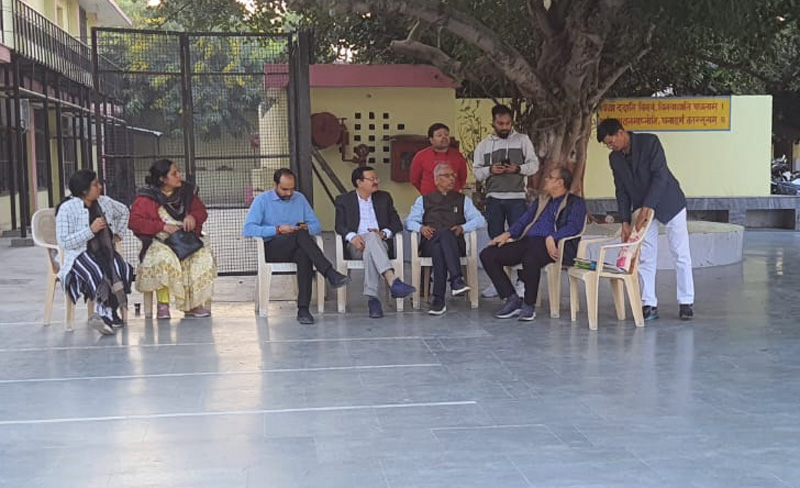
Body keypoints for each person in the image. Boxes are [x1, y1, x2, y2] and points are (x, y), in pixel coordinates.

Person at [597, 118, 694, 321]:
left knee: (680, 253)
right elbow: (621, 190)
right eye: (607, 145)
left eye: (611, 142)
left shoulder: (650, 142)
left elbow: (660, 176)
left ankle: (686, 302)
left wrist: (647, 207)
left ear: (621, 133)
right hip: (641, 208)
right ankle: (649, 304)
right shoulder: (614, 159)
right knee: (646, 256)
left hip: (669, 202)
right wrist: (625, 221)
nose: (610, 147)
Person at [243, 168, 350, 324]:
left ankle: (303, 309)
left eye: (292, 189)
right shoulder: (262, 200)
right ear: (275, 185)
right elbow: (248, 229)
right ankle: (329, 272)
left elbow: (317, 226)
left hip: (297, 246)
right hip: (273, 247)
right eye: (284, 189)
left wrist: (305, 227)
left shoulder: (299, 198)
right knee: (301, 236)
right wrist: (277, 230)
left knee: (304, 253)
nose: (289, 193)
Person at [480, 166, 586, 321]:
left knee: (530, 257)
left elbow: (574, 226)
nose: (546, 179)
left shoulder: (575, 203)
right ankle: (512, 298)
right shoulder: (542, 200)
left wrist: (552, 237)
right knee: (488, 254)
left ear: (560, 182)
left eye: (550, 177)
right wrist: (507, 234)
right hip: (528, 241)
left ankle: (529, 304)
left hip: (553, 246)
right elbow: (524, 221)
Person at [129, 159, 216, 320]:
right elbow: (135, 222)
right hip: (159, 241)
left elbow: (201, 212)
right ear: (162, 179)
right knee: (164, 259)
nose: (179, 176)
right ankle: (163, 305)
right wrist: (162, 227)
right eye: (174, 173)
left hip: (185, 240)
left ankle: (193, 305)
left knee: (201, 258)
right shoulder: (147, 197)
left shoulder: (187, 192)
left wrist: (193, 217)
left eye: (178, 172)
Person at [472, 104, 540, 298]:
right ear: (493, 122)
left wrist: (517, 169)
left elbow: (534, 165)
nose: (504, 127)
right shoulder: (484, 145)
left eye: (508, 123)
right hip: (494, 198)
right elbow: (476, 172)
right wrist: (490, 170)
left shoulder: (522, 140)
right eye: (500, 123)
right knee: (495, 239)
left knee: (519, 239)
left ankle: (522, 281)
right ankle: (498, 282)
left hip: (517, 198)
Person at [56, 169, 134, 335]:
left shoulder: (104, 202)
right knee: (97, 271)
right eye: (95, 184)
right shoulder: (67, 209)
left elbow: (124, 211)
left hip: (105, 251)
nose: (100, 187)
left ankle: (112, 309)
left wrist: (118, 234)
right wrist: (90, 231)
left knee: (122, 268)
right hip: (79, 254)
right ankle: (105, 314)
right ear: (84, 190)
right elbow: (64, 242)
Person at [334, 166, 416, 318]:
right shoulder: (344, 200)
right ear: (359, 182)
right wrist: (353, 237)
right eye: (372, 179)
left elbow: (396, 224)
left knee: (372, 240)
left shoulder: (384, 197)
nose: (376, 182)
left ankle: (373, 299)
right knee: (371, 242)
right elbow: (339, 225)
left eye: (376, 178)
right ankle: (392, 281)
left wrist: (383, 233)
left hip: (380, 243)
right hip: (357, 245)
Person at [406, 163, 486, 315]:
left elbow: (479, 219)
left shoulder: (462, 200)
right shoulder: (423, 200)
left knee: (442, 241)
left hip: (455, 244)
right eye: (447, 176)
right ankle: (456, 280)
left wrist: (463, 227)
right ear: (436, 180)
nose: (452, 179)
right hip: (430, 243)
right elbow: (409, 222)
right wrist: (421, 228)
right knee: (440, 240)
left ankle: (439, 301)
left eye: (453, 176)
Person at [409, 122, 468, 195]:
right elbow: (415, 180)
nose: (444, 137)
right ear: (431, 140)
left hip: (453, 198)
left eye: (446, 134)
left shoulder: (457, 155)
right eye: (439, 135)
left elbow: (462, 178)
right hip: (429, 198)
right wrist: (426, 193)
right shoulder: (421, 156)